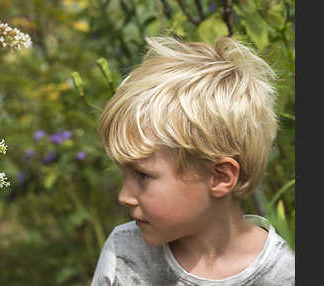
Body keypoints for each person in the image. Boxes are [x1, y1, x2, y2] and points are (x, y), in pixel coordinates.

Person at [92, 36, 295, 285]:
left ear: (220, 177)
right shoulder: (125, 254)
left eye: (142, 175)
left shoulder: (284, 272)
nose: (124, 196)